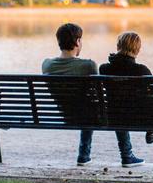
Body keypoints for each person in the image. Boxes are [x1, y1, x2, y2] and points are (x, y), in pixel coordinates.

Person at [41, 23, 144, 168]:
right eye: (80, 40)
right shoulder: (88, 65)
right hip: (87, 116)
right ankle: (126, 155)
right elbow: (99, 94)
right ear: (77, 42)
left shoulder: (46, 64)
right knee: (112, 105)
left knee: (85, 104)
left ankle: (84, 155)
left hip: (63, 115)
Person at [100, 31, 153, 168]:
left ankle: (128, 154)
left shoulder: (104, 68)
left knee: (119, 105)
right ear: (137, 49)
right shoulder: (141, 70)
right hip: (142, 118)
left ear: (118, 46)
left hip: (113, 116)